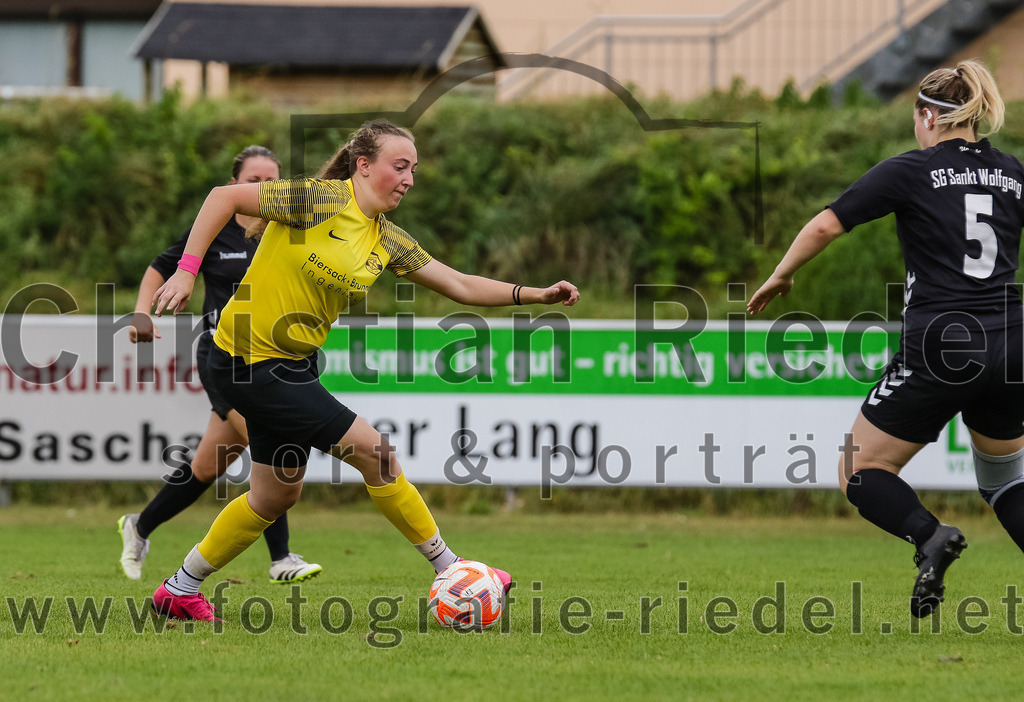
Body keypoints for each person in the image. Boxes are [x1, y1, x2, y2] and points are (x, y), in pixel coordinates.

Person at [147, 119, 580, 621]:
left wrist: (534, 295)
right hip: (246, 361)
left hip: (291, 365)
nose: (409, 179)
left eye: (414, 170)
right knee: (377, 455)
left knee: (274, 496)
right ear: (364, 165)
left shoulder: (385, 239)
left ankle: (179, 589)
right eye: (400, 166)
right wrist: (186, 271)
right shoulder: (319, 199)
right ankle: (451, 567)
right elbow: (223, 197)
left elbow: (459, 284)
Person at [749, 59, 1024, 618]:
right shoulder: (1013, 173)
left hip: (943, 343)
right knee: (1006, 480)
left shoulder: (912, 170)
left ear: (928, 116)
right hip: (1012, 343)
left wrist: (782, 275)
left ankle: (929, 536)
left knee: (859, 469)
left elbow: (826, 224)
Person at [118, 146, 322, 585]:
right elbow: (159, 267)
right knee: (268, 438)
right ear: (234, 185)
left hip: (270, 356)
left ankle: (140, 525)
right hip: (222, 356)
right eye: (254, 180)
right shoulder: (218, 228)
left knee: (207, 467)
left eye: (272, 181)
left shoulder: (288, 228)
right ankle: (281, 557)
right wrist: (141, 312)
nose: (264, 188)